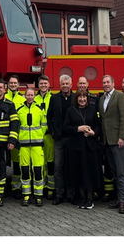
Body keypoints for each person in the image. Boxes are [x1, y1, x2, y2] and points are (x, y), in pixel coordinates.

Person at [63, 90, 102, 209]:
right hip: (75, 147)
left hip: (90, 147)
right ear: (76, 99)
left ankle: (89, 199)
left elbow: (98, 125)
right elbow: (65, 128)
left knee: (89, 173)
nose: (82, 99)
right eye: (80, 97)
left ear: (87, 98)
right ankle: (82, 197)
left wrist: (93, 133)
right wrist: (78, 129)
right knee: (78, 173)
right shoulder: (70, 111)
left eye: (84, 97)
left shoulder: (92, 109)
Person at [98, 74, 124, 214]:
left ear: (113, 83)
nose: (105, 84)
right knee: (115, 172)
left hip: (118, 140)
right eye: (103, 82)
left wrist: (123, 137)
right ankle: (118, 198)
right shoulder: (101, 99)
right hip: (107, 140)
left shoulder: (120, 97)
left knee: (121, 172)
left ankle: (123, 201)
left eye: (107, 82)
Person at [16, 88, 47, 206]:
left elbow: (43, 125)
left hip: (37, 145)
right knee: (24, 170)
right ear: (25, 96)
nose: (30, 97)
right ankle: (26, 195)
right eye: (28, 95)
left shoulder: (40, 110)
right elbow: (17, 126)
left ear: (34, 96)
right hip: (23, 145)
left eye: (32, 95)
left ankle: (38, 196)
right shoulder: (19, 110)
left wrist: (39, 136)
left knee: (38, 170)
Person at [47, 74, 74, 204]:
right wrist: (53, 131)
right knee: (58, 167)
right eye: (62, 84)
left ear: (70, 84)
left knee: (71, 166)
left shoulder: (75, 97)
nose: (65, 86)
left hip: (72, 137)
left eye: (66, 84)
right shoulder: (54, 98)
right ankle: (59, 194)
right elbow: (49, 116)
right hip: (58, 138)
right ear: (60, 85)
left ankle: (71, 194)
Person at [6, 75, 26, 195]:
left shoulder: (22, 99)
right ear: (8, 85)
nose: (13, 85)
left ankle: (17, 187)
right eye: (11, 83)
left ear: (18, 85)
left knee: (17, 162)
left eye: (15, 83)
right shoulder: (4, 97)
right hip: (4, 134)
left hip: (18, 134)